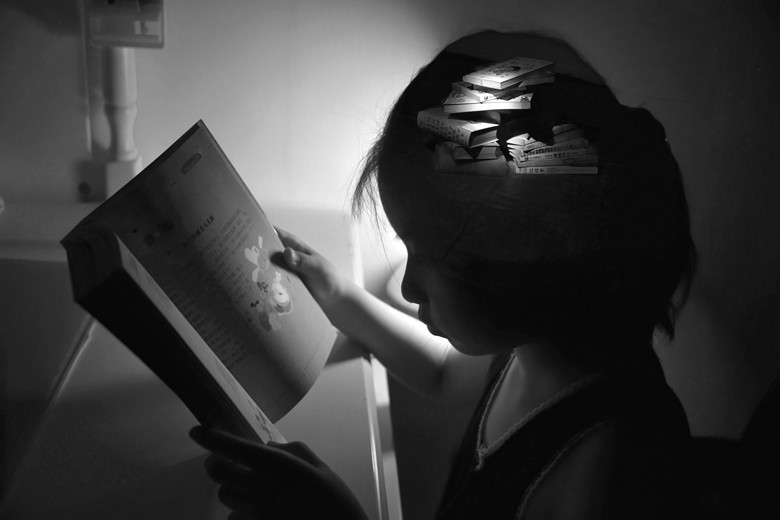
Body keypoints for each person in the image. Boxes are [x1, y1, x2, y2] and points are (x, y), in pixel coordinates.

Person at [191, 30, 698, 519]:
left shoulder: (608, 467)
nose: (408, 287)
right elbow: (440, 372)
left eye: (432, 257)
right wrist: (337, 292)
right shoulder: (533, 343)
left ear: (523, 270)